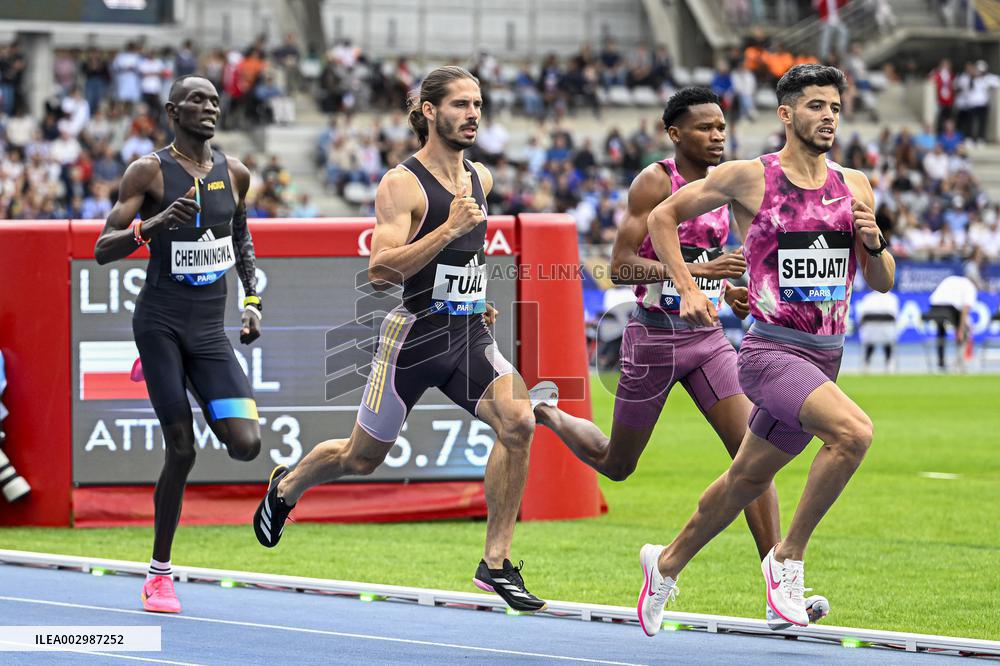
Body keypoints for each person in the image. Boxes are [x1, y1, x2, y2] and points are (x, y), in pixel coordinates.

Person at [531, 87, 833, 629]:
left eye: (722, 126)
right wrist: (697, 274)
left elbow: (718, 267)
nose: (717, 135)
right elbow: (621, 266)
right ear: (676, 134)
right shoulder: (655, 181)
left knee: (751, 455)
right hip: (653, 340)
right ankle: (549, 414)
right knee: (618, 464)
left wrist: (728, 291)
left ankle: (778, 586)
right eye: (704, 128)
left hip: (710, 339)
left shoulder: (730, 186)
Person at [251, 66, 546, 613]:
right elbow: (382, 270)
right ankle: (286, 488)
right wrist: (449, 229)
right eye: (460, 104)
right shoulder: (401, 183)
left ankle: (497, 563)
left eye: (478, 104)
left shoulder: (479, 177)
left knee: (519, 420)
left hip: (466, 333)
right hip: (412, 339)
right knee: (361, 458)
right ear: (429, 111)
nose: (473, 114)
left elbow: (465, 259)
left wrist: (473, 293)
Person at [636, 64, 895, 636]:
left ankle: (665, 564)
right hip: (769, 353)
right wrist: (685, 287)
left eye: (834, 107)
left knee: (744, 481)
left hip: (826, 353)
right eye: (815, 106)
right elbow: (660, 217)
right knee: (852, 434)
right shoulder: (750, 178)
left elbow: (881, 281)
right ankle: (788, 557)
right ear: (786, 114)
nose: (827, 116)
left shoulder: (854, 185)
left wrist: (874, 243)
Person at [94, 75, 263, 614]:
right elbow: (102, 248)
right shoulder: (147, 171)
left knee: (245, 443)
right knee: (183, 449)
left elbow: (241, 237)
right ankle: (159, 575)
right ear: (173, 110)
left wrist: (253, 301)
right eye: (197, 100)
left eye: (214, 100)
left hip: (209, 332)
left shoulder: (235, 173)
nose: (209, 107)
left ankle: (197, 385)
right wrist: (153, 225)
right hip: (161, 325)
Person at [928, 274, 978, 372]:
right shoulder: (971, 287)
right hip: (950, 308)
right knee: (965, 329)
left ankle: (941, 362)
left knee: (941, 330)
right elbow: (965, 309)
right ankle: (959, 363)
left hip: (934, 307)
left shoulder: (951, 279)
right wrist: (960, 329)